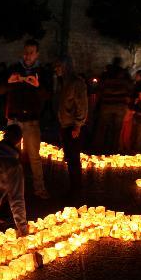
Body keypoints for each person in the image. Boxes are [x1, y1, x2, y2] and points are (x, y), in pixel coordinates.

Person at [0, 39, 51, 199]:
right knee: (11, 155)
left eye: (31, 53)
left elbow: (48, 95)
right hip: (14, 120)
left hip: (32, 120)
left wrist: (37, 86)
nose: (27, 56)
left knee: (34, 156)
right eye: (26, 52)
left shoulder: (42, 72)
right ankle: (9, 189)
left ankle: (39, 188)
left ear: (37, 54)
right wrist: (8, 83)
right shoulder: (13, 69)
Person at [55, 56, 88, 197]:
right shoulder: (64, 83)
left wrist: (78, 125)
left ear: (66, 67)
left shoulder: (76, 83)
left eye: (58, 66)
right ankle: (73, 186)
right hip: (65, 124)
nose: (56, 69)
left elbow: (81, 105)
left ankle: (76, 189)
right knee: (69, 157)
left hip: (72, 126)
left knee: (74, 158)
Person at [92, 58, 131, 153]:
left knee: (102, 127)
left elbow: (99, 89)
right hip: (120, 106)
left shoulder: (106, 74)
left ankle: (98, 149)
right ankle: (113, 150)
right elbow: (130, 88)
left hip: (106, 104)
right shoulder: (125, 75)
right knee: (117, 129)